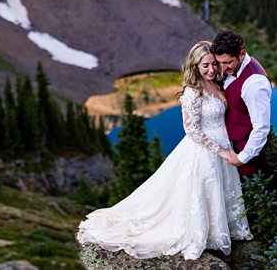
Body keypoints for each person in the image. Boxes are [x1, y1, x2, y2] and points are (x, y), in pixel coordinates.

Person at [76, 41, 252, 260]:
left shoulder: (218, 83)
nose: (211, 69)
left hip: (224, 146)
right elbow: (192, 130)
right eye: (205, 65)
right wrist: (222, 151)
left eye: (214, 64)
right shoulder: (192, 92)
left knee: (220, 190)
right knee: (201, 192)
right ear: (195, 66)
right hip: (204, 152)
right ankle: (202, 233)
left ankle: (221, 230)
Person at [211, 29, 272, 178]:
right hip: (229, 146)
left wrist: (242, 157)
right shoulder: (233, 68)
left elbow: (261, 127)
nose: (223, 68)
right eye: (219, 63)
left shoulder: (255, 83)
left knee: (250, 193)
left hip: (246, 152)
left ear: (242, 54)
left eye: (227, 62)